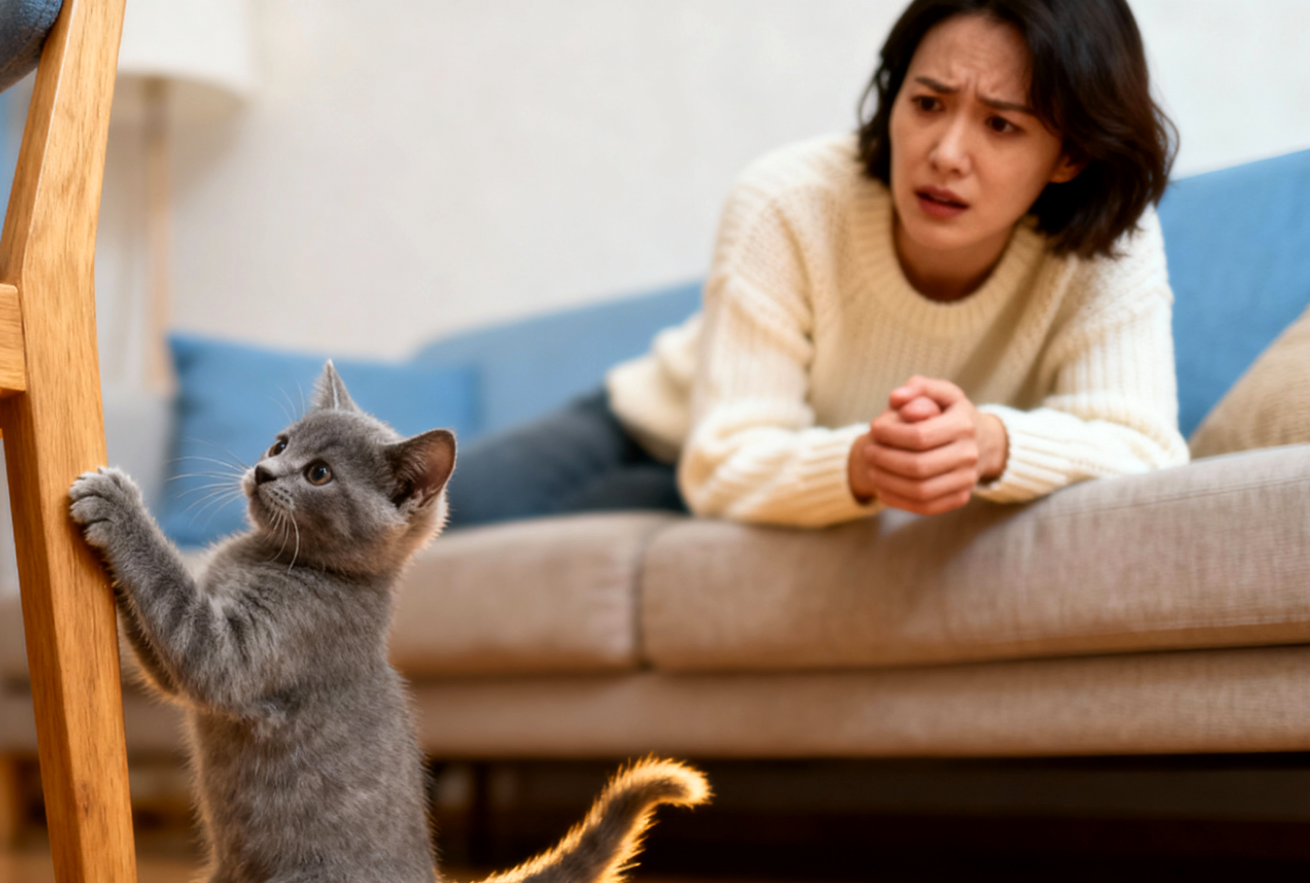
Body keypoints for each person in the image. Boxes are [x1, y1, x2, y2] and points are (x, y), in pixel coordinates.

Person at [445, 0, 1189, 530]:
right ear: (893, 97)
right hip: (664, 425)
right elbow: (724, 456)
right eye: (928, 103)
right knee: (432, 514)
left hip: (775, 475)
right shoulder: (789, 201)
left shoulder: (1110, 239)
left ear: (1070, 155)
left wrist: (992, 444)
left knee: (572, 538)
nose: (946, 153)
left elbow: (1148, 448)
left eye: (1000, 124)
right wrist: (868, 462)